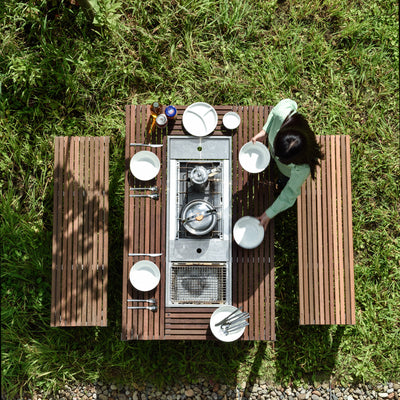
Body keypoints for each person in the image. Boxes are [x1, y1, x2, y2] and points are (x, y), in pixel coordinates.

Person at [251, 99, 324, 230]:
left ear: (296, 160)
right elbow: (290, 103)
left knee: (284, 181)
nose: (276, 156)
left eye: (283, 159)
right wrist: (265, 131)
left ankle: (281, 181)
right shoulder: (281, 114)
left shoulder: (302, 168)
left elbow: (290, 193)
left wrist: (269, 214)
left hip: (286, 173)